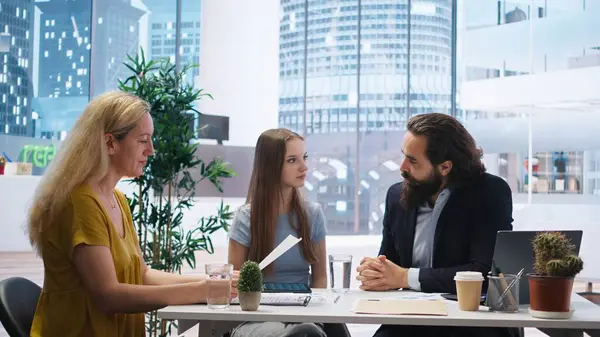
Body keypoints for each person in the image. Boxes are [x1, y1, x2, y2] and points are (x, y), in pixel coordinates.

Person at [26, 91, 238, 337]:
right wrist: (203, 290)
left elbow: (142, 275)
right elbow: (109, 295)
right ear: (110, 143)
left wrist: (210, 281)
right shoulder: (80, 202)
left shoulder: (117, 199)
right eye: (142, 140)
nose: (151, 150)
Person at [356, 113, 520, 337]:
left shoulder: (489, 192)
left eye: (413, 160)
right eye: (404, 156)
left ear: (445, 167)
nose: (402, 167)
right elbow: (389, 262)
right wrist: (374, 272)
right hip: (412, 317)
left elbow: (483, 274)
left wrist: (405, 277)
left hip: (473, 320)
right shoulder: (397, 195)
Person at [228, 128, 348, 337]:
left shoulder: (312, 214)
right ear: (271, 167)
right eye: (292, 160)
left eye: (304, 157)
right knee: (305, 333)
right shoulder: (245, 218)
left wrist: (310, 309)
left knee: (324, 330)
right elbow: (235, 287)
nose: (304, 167)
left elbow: (320, 281)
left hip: (304, 311)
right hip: (256, 316)